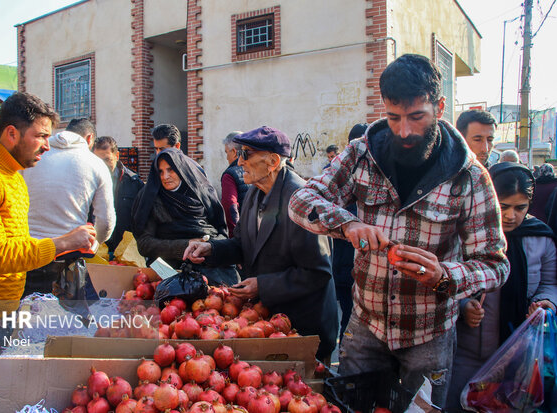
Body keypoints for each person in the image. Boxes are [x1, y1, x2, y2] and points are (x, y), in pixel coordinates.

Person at [288, 54, 509, 406]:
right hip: (366, 326)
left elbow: (495, 264)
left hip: (430, 335)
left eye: (416, 117)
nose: (404, 131)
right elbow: (301, 200)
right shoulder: (362, 154)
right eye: (393, 117)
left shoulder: (469, 177)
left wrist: (444, 276)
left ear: (439, 106)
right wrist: (349, 224)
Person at [0, 92, 96, 369]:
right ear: (12, 133)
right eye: (41, 136)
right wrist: (64, 241)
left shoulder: (13, 177)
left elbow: (16, 245)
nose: (48, 146)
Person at [183, 126, 338, 360]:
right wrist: (211, 249)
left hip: (302, 327)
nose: (239, 162)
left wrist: (262, 286)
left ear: (273, 161)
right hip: (268, 321)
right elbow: (242, 244)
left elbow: (317, 273)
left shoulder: (303, 201)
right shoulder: (255, 193)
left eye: (246, 154)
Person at [446, 162, 557, 411]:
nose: (510, 216)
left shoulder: (541, 237)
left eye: (520, 208)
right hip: (467, 352)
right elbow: (446, 282)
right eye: (503, 206)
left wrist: (545, 303)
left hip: (521, 357)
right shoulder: (467, 235)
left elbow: (550, 284)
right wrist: (464, 305)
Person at [22, 118, 115, 296]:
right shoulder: (95, 164)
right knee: (65, 320)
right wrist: (96, 243)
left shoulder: (34, 157)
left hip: (28, 253)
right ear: (90, 139)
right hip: (68, 257)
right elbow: (106, 221)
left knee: (27, 315)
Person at [133, 147, 238, 286]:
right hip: (168, 269)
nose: (165, 176)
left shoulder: (203, 192)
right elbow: (144, 244)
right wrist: (184, 246)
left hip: (208, 265)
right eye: (161, 171)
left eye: (171, 170)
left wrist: (207, 247)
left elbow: (221, 232)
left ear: (181, 169)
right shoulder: (151, 198)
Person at [331, 123, 369, 341]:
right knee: (350, 318)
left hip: (347, 268)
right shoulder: (345, 182)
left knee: (349, 317)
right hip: (348, 268)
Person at [93, 135, 144, 255]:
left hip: (125, 252)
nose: (102, 165)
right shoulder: (87, 182)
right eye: (97, 160)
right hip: (96, 249)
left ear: (117, 156)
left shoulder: (134, 183)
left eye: (106, 160)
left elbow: (142, 220)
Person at [221, 131, 250, 237]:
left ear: (233, 152)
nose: (227, 157)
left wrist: (235, 235)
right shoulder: (255, 170)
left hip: (243, 232)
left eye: (226, 152)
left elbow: (230, 206)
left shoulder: (229, 175)